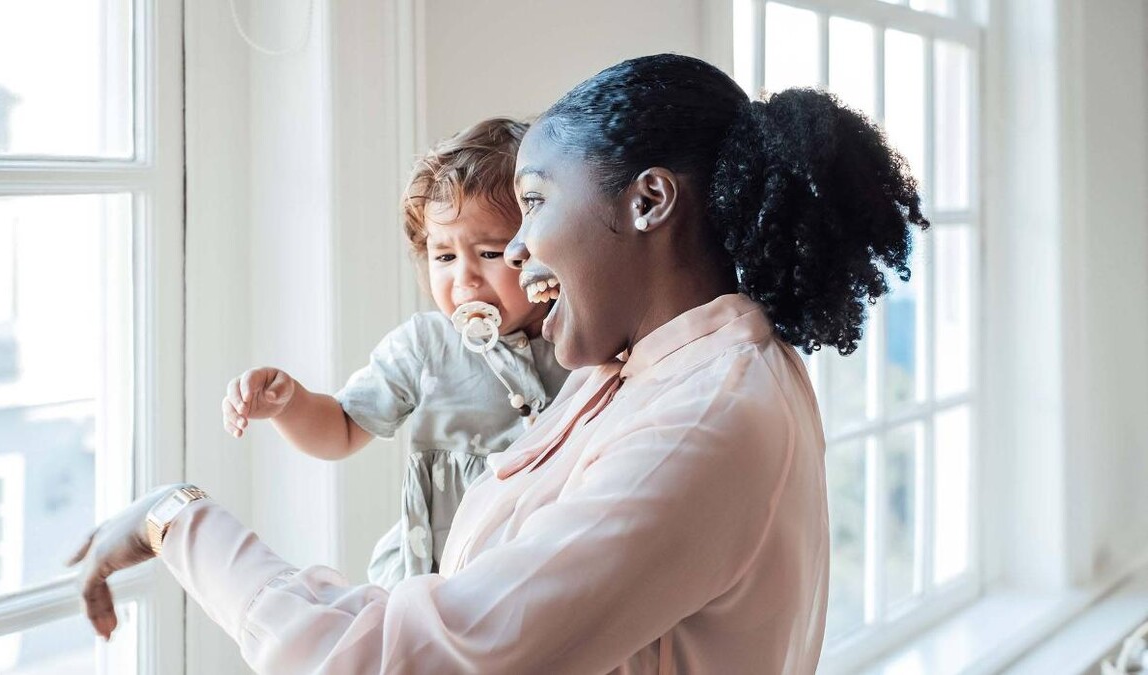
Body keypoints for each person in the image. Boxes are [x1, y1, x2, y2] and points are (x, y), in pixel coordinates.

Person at [70, 54, 927, 673]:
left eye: (538, 202)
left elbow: (380, 663)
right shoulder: (630, 370)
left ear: (650, 200)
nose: (517, 250)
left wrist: (173, 517)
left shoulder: (703, 421)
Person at [219, 117, 570, 589]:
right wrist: (291, 405)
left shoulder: (579, 330)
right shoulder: (425, 346)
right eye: (443, 257)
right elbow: (340, 429)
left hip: (549, 564)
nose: (463, 281)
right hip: (442, 575)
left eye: (489, 254)